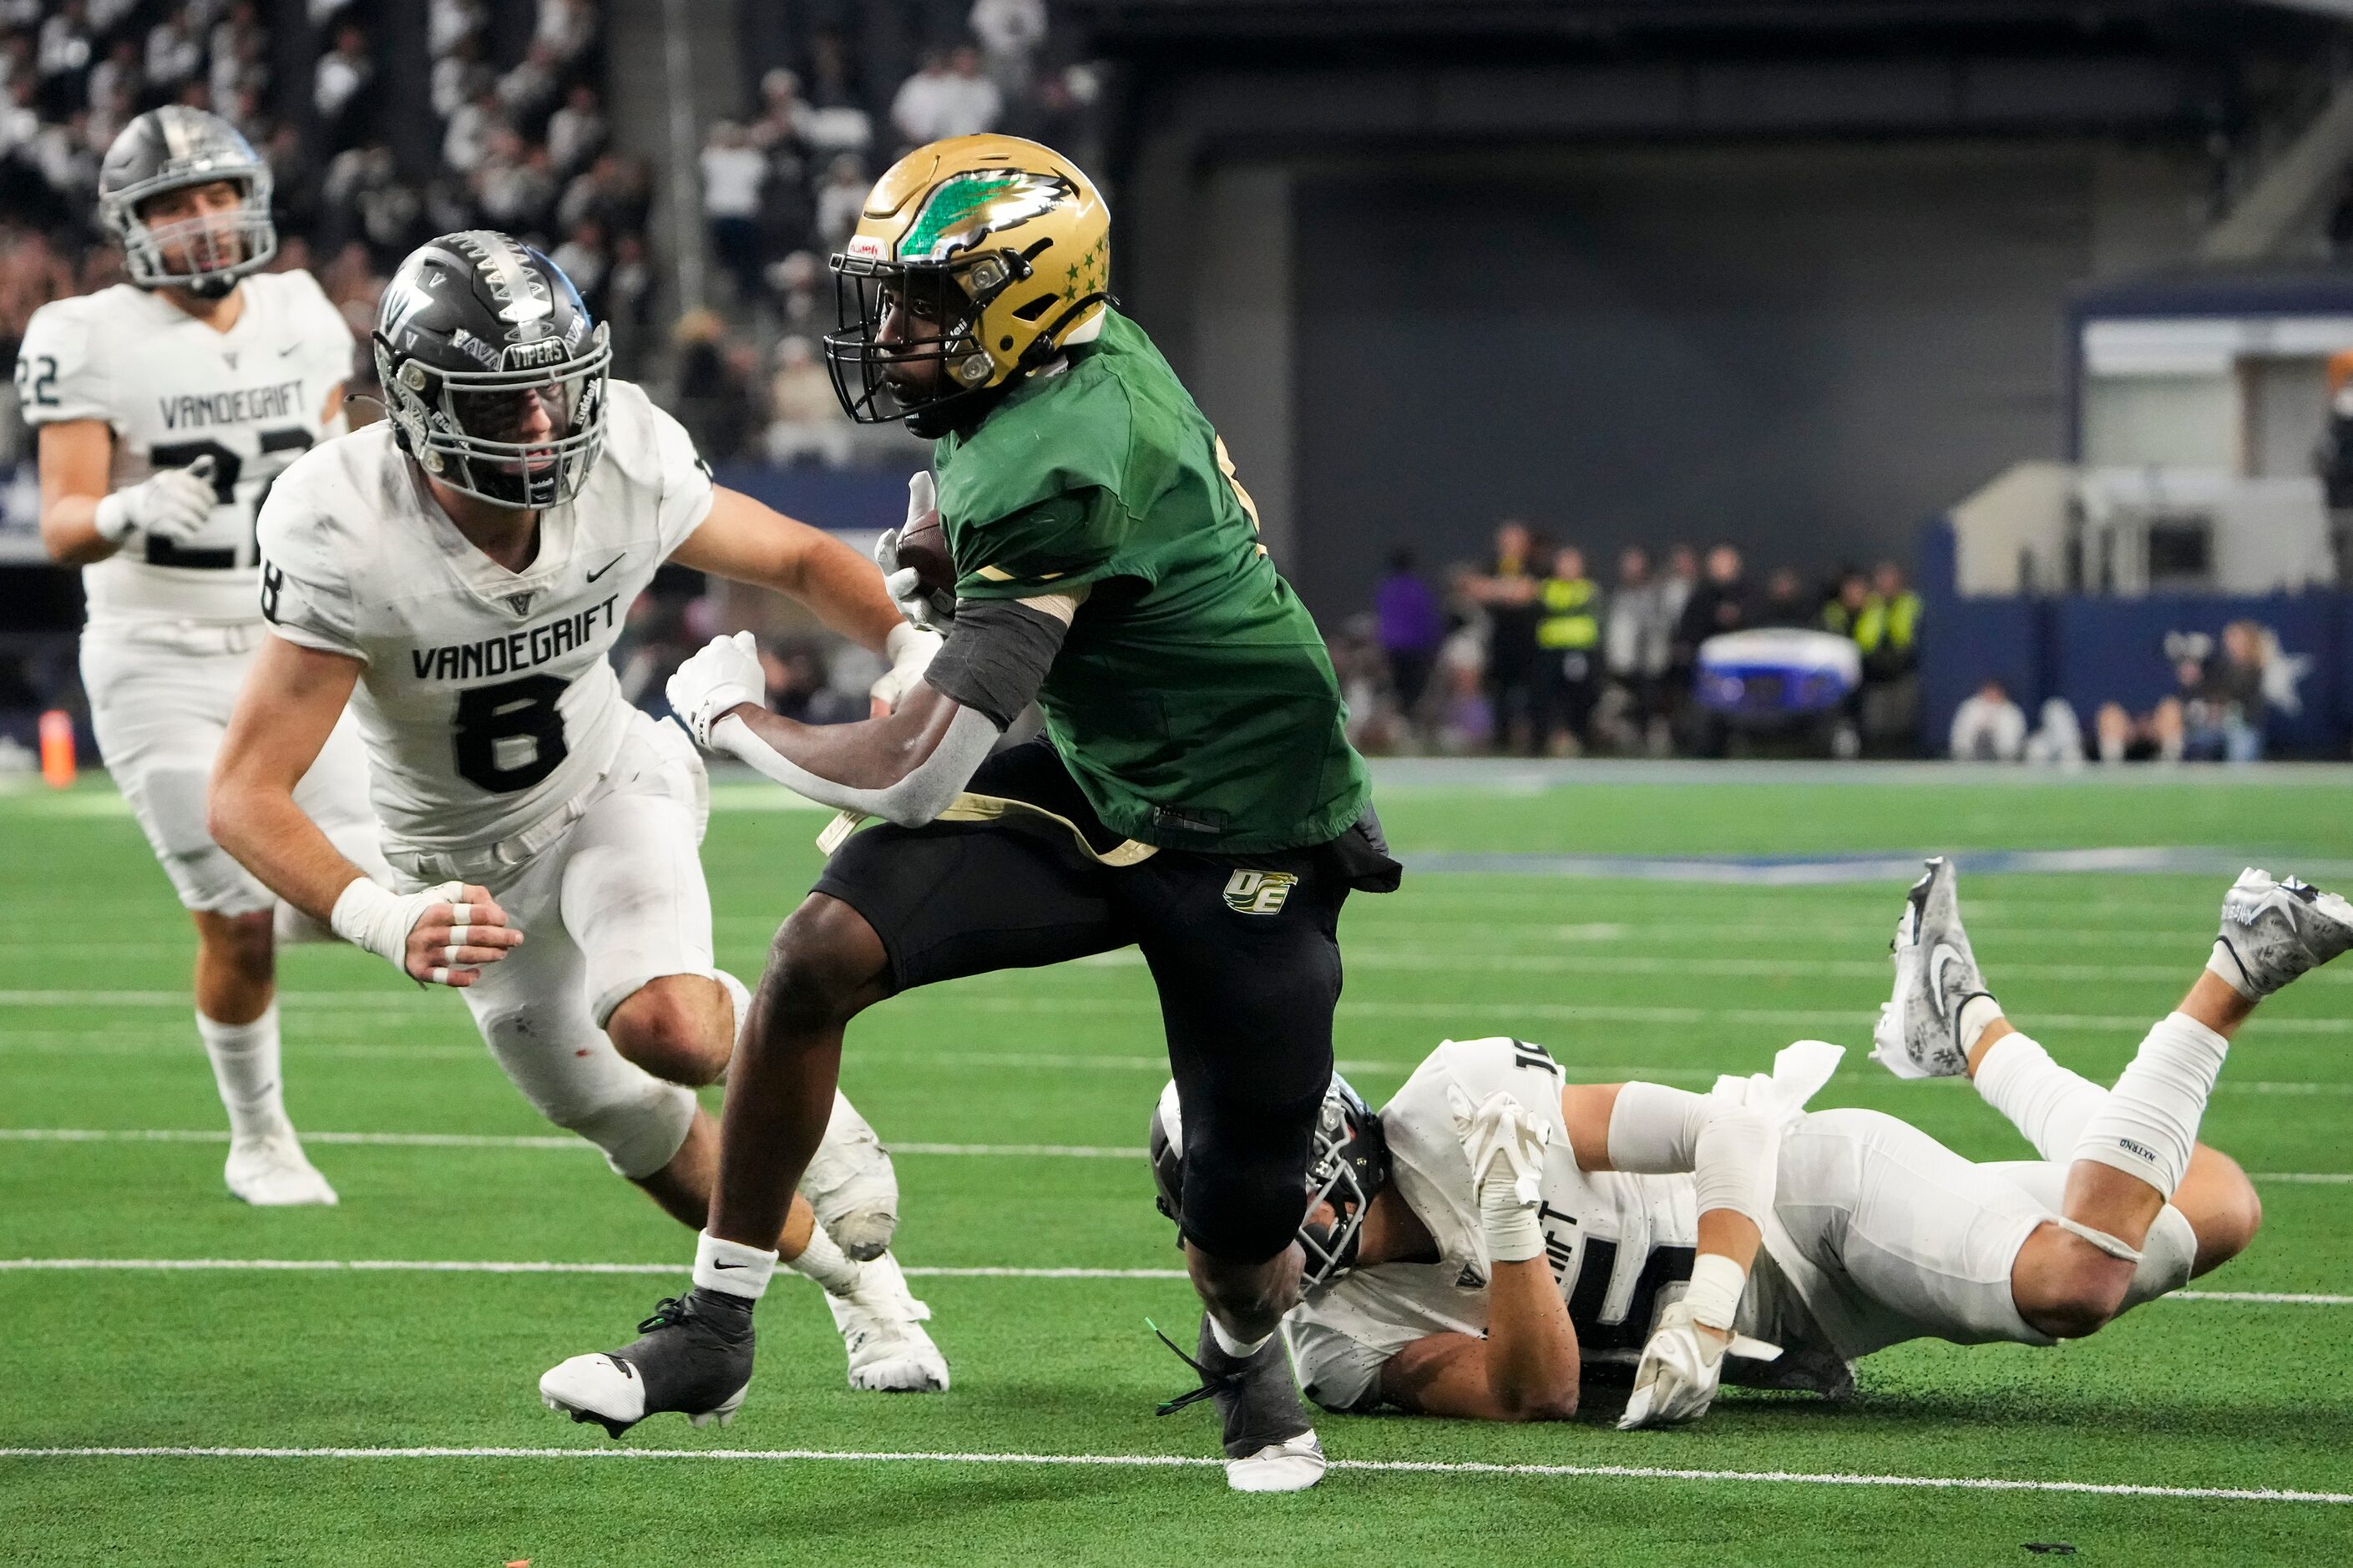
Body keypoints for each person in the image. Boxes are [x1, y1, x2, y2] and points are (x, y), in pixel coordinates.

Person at [541, 134, 1399, 1493]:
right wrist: (970, 579)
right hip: (1103, 755)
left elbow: (911, 772)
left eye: (930, 301)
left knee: (1241, 1214)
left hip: (1245, 819)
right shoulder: (1069, 358)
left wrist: (729, 716)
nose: (894, 332)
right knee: (813, 953)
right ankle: (716, 1320)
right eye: (892, 295)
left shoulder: (1053, 450)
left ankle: (1248, 1352)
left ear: (1023, 298)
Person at [205, 230, 952, 1395]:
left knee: (671, 1028)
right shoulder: (343, 523)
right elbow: (245, 791)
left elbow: (802, 556)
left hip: (609, 790)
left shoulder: (627, 461)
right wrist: (376, 915)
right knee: (638, 1128)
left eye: (556, 391)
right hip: (459, 870)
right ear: (418, 401)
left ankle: (792, 1058)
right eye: (506, 407)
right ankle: (868, 1290)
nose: (547, 426)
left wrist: (910, 642)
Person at [1220, 858, 2339, 1426]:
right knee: (2216, 1196)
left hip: (1808, 1198)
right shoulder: (1337, 1344)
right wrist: (1511, 1226)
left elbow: (1732, 1128)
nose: (1227, 1234)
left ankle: (2237, 960)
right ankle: (1962, 1026)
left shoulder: (1461, 1097)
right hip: (1804, 1323)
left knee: (2076, 1279)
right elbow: (1535, 1392)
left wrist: (1705, 1311)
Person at [18, 106, 389, 1206]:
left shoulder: (298, 307)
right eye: (174, 205)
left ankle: (279, 902)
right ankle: (260, 1135)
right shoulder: (83, 332)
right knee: (234, 920)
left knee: (372, 880)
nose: (202, 221)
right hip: (158, 649)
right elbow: (62, 521)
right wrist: (130, 510)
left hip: (294, 638)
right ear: (131, 225)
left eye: (217, 195)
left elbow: (337, 459)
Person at [1474, 518, 1541, 753]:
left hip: (1528, 642)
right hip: (1500, 640)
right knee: (1499, 692)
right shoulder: (1493, 564)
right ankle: (1501, 741)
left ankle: (1535, 743)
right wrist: (1508, 591)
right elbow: (1477, 588)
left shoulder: (1535, 565)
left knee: (1532, 693)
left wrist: (1497, 590)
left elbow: (1529, 592)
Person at [1532, 544, 1601, 756]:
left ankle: (1580, 737)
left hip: (1579, 651)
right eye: (1564, 562)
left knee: (1579, 698)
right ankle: (1543, 740)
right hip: (1550, 651)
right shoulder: (1547, 588)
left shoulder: (1588, 589)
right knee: (1546, 697)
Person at [1372, 547, 1442, 730]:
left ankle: (1403, 724)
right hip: (1415, 649)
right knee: (1412, 690)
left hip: (1394, 648)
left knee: (1399, 688)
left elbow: (1383, 620)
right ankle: (1408, 724)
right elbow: (1427, 619)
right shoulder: (1416, 588)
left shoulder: (1387, 588)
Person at [1948, 676, 2027, 761]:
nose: (1992, 695)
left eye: (1995, 692)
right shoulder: (1970, 708)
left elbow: (2015, 740)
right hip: (1970, 758)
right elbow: (1959, 734)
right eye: (1990, 692)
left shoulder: (2012, 712)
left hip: (2002, 760)